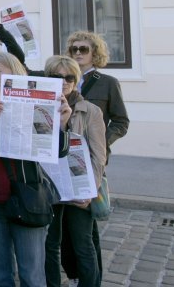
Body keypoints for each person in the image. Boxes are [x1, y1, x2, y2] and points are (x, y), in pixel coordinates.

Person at [0, 52, 72, 287]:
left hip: (27, 198)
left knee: (32, 275)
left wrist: (61, 125)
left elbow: (58, 152)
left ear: (14, 72)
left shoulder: (37, 102)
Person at [65, 30, 128, 282]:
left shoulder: (107, 82)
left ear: (95, 53)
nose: (78, 53)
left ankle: (92, 278)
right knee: (66, 230)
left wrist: (102, 141)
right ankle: (74, 274)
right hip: (63, 159)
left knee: (85, 227)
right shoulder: (64, 78)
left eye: (83, 49)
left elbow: (121, 121)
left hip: (91, 161)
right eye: (74, 49)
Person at [44, 55, 107, 287]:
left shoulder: (90, 111)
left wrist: (90, 189)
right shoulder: (40, 107)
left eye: (69, 77)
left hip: (79, 186)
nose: (64, 82)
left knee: (82, 242)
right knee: (50, 243)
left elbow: (99, 155)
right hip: (50, 186)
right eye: (57, 77)